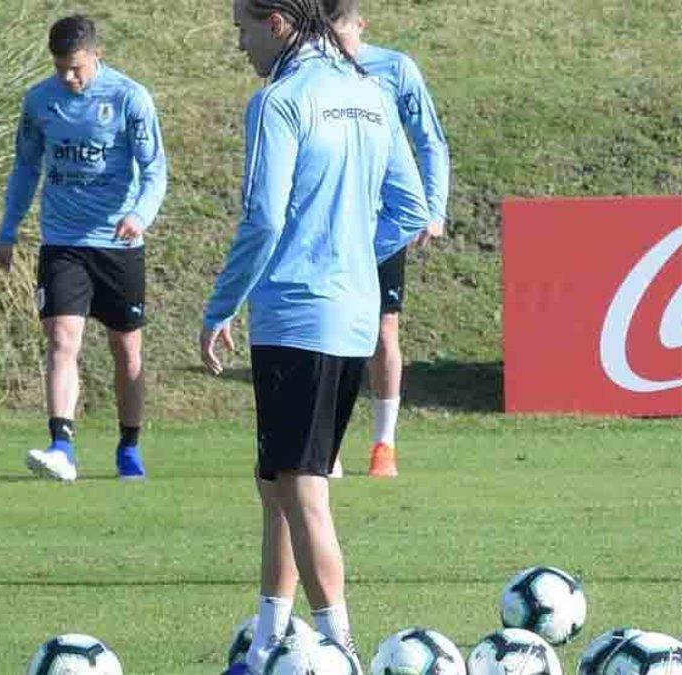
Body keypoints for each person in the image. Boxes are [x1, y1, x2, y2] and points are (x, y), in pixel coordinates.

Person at [199, 1, 428, 673]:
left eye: (242, 27)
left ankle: (340, 650)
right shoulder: (366, 92)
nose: (239, 44)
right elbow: (411, 208)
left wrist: (221, 305)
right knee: (278, 483)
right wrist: (354, 253)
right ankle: (269, 642)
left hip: (298, 312)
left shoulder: (279, 102)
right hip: (354, 314)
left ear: (276, 23)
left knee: (302, 490)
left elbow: (265, 218)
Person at [0, 14, 168, 483]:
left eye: (77, 68)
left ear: (96, 56)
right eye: (60, 68)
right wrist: (8, 231)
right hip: (63, 242)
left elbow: (155, 171)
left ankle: (129, 446)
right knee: (61, 339)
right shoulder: (39, 102)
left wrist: (139, 216)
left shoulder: (129, 98)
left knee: (126, 350)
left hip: (118, 243)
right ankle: (62, 446)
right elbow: (26, 169)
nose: (69, 78)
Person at [324, 0, 451, 478]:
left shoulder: (395, 70)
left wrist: (433, 209)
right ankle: (327, 445)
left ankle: (384, 443)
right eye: (330, 40)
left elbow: (430, 140)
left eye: (346, 37)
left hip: (382, 226)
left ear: (362, 26)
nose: (341, 49)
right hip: (334, 223)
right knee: (332, 332)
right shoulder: (311, 72)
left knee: (382, 331)